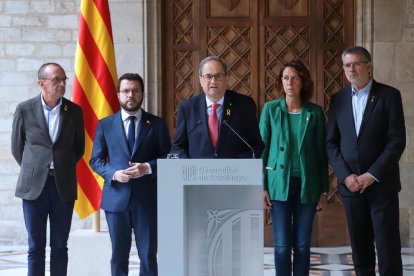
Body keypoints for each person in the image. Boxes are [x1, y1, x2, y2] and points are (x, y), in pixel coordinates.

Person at [326, 46, 406, 276]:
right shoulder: (338, 99)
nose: (352, 69)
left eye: (356, 64)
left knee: (387, 247)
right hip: (351, 187)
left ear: (368, 66)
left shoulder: (389, 95)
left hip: (382, 185)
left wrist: (371, 175)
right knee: (360, 249)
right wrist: (345, 176)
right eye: (347, 65)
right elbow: (331, 143)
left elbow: (396, 141)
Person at [90, 73, 171, 276]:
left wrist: (147, 167)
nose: (131, 95)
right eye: (126, 91)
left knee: (148, 256)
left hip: (148, 200)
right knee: (118, 256)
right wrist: (114, 173)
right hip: (116, 199)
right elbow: (96, 160)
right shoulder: (105, 124)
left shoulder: (157, 124)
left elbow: (170, 158)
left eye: (135, 90)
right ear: (118, 95)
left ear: (142, 94)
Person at [11, 63, 85, 276]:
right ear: (41, 83)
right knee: (35, 246)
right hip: (34, 187)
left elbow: (78, 148)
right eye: (56, 80)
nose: (62, 84)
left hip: (63, 185)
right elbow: (18, 148)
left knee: (60, 245)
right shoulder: (24, 109)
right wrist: (36, 169)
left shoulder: (74, 111)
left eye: (64, 79)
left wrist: (61, 167)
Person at [259, 60, 329, 276]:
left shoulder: (315, 112)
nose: (290, 82)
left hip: (307, 186)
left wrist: (324, 190)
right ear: (281, 81)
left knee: (301, 245)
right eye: (286, 77)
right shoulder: (270, 109)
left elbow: (321, 153)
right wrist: (261, 186)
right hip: (278, 185)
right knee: (281, 246)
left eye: (295, 77)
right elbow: (262, 150)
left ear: (303, 82)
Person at [172, 55, 264, 158]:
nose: (213, 81)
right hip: (198, 172)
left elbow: (256, 145)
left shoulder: (244, 105)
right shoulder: (187, 108)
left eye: (218, 76)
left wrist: (238, 165)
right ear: (200, 80)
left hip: (234, 172)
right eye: (208, 76)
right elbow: (178, 147)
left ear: (226, 78)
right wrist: (189, 165)